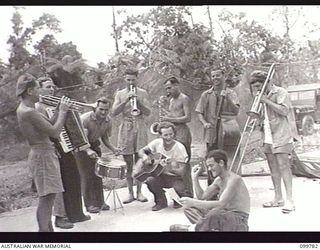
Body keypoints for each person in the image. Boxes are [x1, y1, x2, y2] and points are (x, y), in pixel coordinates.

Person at [16, 73, 72, 232]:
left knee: (50, 195)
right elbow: (54, 132)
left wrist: (57, 110)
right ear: (30, 91)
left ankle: (48, 231)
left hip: (45, 154)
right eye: (37, 89)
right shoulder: (28, 111)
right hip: (42, 156)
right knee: (46, 198)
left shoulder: (29, 109)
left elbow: (48, 124)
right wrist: (62, 111)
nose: (40, 92)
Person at [35, 76, 91, 227]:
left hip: (66, 146)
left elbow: (67, 123)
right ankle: (60, 217)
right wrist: (61, 111)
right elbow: (48, 128)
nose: (51, 89)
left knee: (73, 178)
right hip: (52, 147)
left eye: (52, 87)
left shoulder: (56, 103)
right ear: (39, 89)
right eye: (47, 87)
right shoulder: (38, 107)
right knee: (59, 184)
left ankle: (76, 213)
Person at [249, 70, 299, 214]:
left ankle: (290, 200)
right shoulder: (260, 95)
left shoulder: (280, 92)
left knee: (284, 166)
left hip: (282, 133)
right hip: (267, 134)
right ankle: (278, 198)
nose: (257, 89)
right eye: (255, 87)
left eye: (259, 86)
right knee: (273, 167)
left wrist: (266, 101)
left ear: (266, 82)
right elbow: (263, 116)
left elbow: (284, 111)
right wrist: (256, 119)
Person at [170, 149, 250, 231]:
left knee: (215, 212)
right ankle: (205, 229)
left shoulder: (234, 179)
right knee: (189, 208)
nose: (209, 169)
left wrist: (193, 201)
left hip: (239, 220)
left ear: (221, 163)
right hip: (223, 217)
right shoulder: (218, 180)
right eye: (208, 166)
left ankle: (194, 229)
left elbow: (221, 204)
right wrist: (194, 178)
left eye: (211, 165)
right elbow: (202, 197)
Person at [111, 68, 151, 204]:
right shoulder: (120, 94)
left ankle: (139, 192)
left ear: (137, 79)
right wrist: (126, 100)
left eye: (133, 79)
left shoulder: (143, 93)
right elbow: (114, 112)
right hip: (126, 127)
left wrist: (138, 102)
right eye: (128, 79)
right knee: (128, 162)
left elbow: (148, 112)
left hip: (140, 125)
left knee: (140, 161)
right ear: (124, 79)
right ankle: (130, 192)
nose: (130, 82)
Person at [74, 97, 120, 213]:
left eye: (106, 110)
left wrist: (113, 149)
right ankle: (89, 204)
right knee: (87, 175)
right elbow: (80, 139)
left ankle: (100, 202)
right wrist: (88, 150)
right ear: (95, 108)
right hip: (81, 146)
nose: (104, 112)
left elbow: (104, 137)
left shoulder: (108, 120)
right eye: (101, 109)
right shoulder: (85, 119)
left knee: (98, 174)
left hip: (94, 145)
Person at [195, 69, 241, 174]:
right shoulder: (206, 94)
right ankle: (212, 184)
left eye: (218, 75)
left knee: (228, 159)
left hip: (227, 130)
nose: (215, 78)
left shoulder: (231, 93)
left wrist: (227, 98)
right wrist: (204, 123)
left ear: (223, 76)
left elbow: (236, 111)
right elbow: (199, 112)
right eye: (213, 76)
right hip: (211, 132)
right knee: (211, 159)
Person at [138, 122, 191, 211]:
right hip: (160, 176)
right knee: (150, 180)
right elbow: (141, 151)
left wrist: (169, 167)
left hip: (176, 178)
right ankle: (161, 201)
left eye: (171, 134)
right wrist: (145, 157)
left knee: (180, 196)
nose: (169, 137)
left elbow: (182, 172)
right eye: (165, 135)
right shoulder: (156, 143)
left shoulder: (180, 147)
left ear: (174, 133)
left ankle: (177, 198)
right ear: (160, 135)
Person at [160, 76, 193, 197]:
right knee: (174, 163)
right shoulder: (171, 100)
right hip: (173, 132)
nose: (167, 91)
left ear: (176, 86)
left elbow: (188, 118)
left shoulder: (184, 98)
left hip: (182, 132)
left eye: (169, 88)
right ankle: (179, 194)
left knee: (184, 162)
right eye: (166, 89)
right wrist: (164, 114)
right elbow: (173, 114)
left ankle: (188, 193)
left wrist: (169, 118)